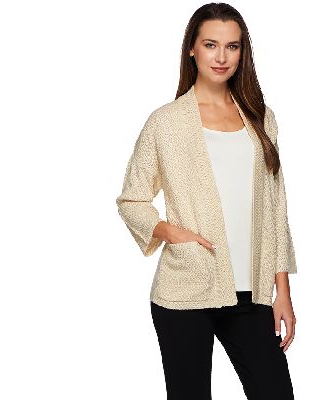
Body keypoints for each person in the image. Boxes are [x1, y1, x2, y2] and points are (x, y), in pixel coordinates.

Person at [116, 3, 298, 399]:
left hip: (251, 294)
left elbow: (276, 209)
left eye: (232, 46)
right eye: (211, 45)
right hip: (186, 287)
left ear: (242, 52)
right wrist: (170, 232)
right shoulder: (166, 121)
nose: (221, 57)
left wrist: (282, 291)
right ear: (192, 49)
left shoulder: (260, 117)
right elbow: (132, 199)